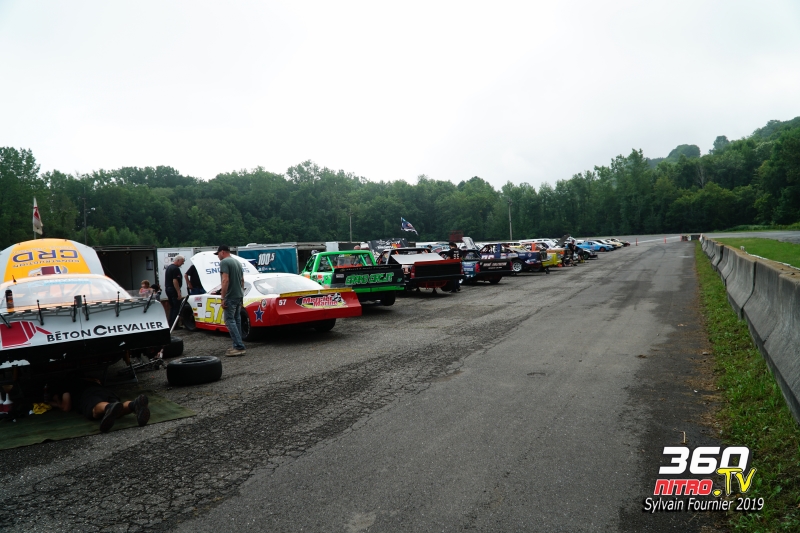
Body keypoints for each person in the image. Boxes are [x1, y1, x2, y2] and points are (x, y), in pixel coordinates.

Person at [47, 377, 150, 433]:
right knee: (118, 408)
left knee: (95, 411)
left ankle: (108, 407)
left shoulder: (65, 386)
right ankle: (134, 404)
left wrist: (56, 401)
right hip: (104, 391)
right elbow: (98, 381)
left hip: (88, 395)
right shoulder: (88, 380)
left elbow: (66, 406)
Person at [216, 245, 246, 357]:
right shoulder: (237, 262)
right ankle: (238, 344)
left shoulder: (224, 262)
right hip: (239, 295)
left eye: (218, 254)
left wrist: (223, 297)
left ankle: (239, 346)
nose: (218, 256)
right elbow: (242, 280)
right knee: (237, 320)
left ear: (222, 252)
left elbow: (225, 280)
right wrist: (241, 294)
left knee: (229, 320)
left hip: (230, 296)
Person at [164, 255, 185, 329]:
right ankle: (175, 325)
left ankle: (171, 324)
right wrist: (178, 292)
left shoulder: (169, 267)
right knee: (176, 307)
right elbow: (175, 281)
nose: (183, 263)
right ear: (178, 260)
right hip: (173, 290)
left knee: (172, 307)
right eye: (182, 261)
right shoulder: (175, 269)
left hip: (168, 289)